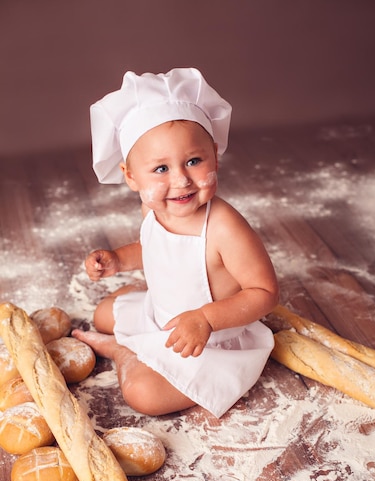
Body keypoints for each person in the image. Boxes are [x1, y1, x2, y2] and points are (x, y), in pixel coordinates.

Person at [73, 68, 279, 418]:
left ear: (214, 154)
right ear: (130, 176)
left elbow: (265, 292)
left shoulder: (225, 226)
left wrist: (207, 319)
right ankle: (138, 339)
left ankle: (125, 353)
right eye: (161, 169)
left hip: (211, 340)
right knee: (102, 313)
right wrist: (119, 260)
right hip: (165, 315)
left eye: (194, 161)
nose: (181, 180)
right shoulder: (152, 208)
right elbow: (152, 247)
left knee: (144, 395)